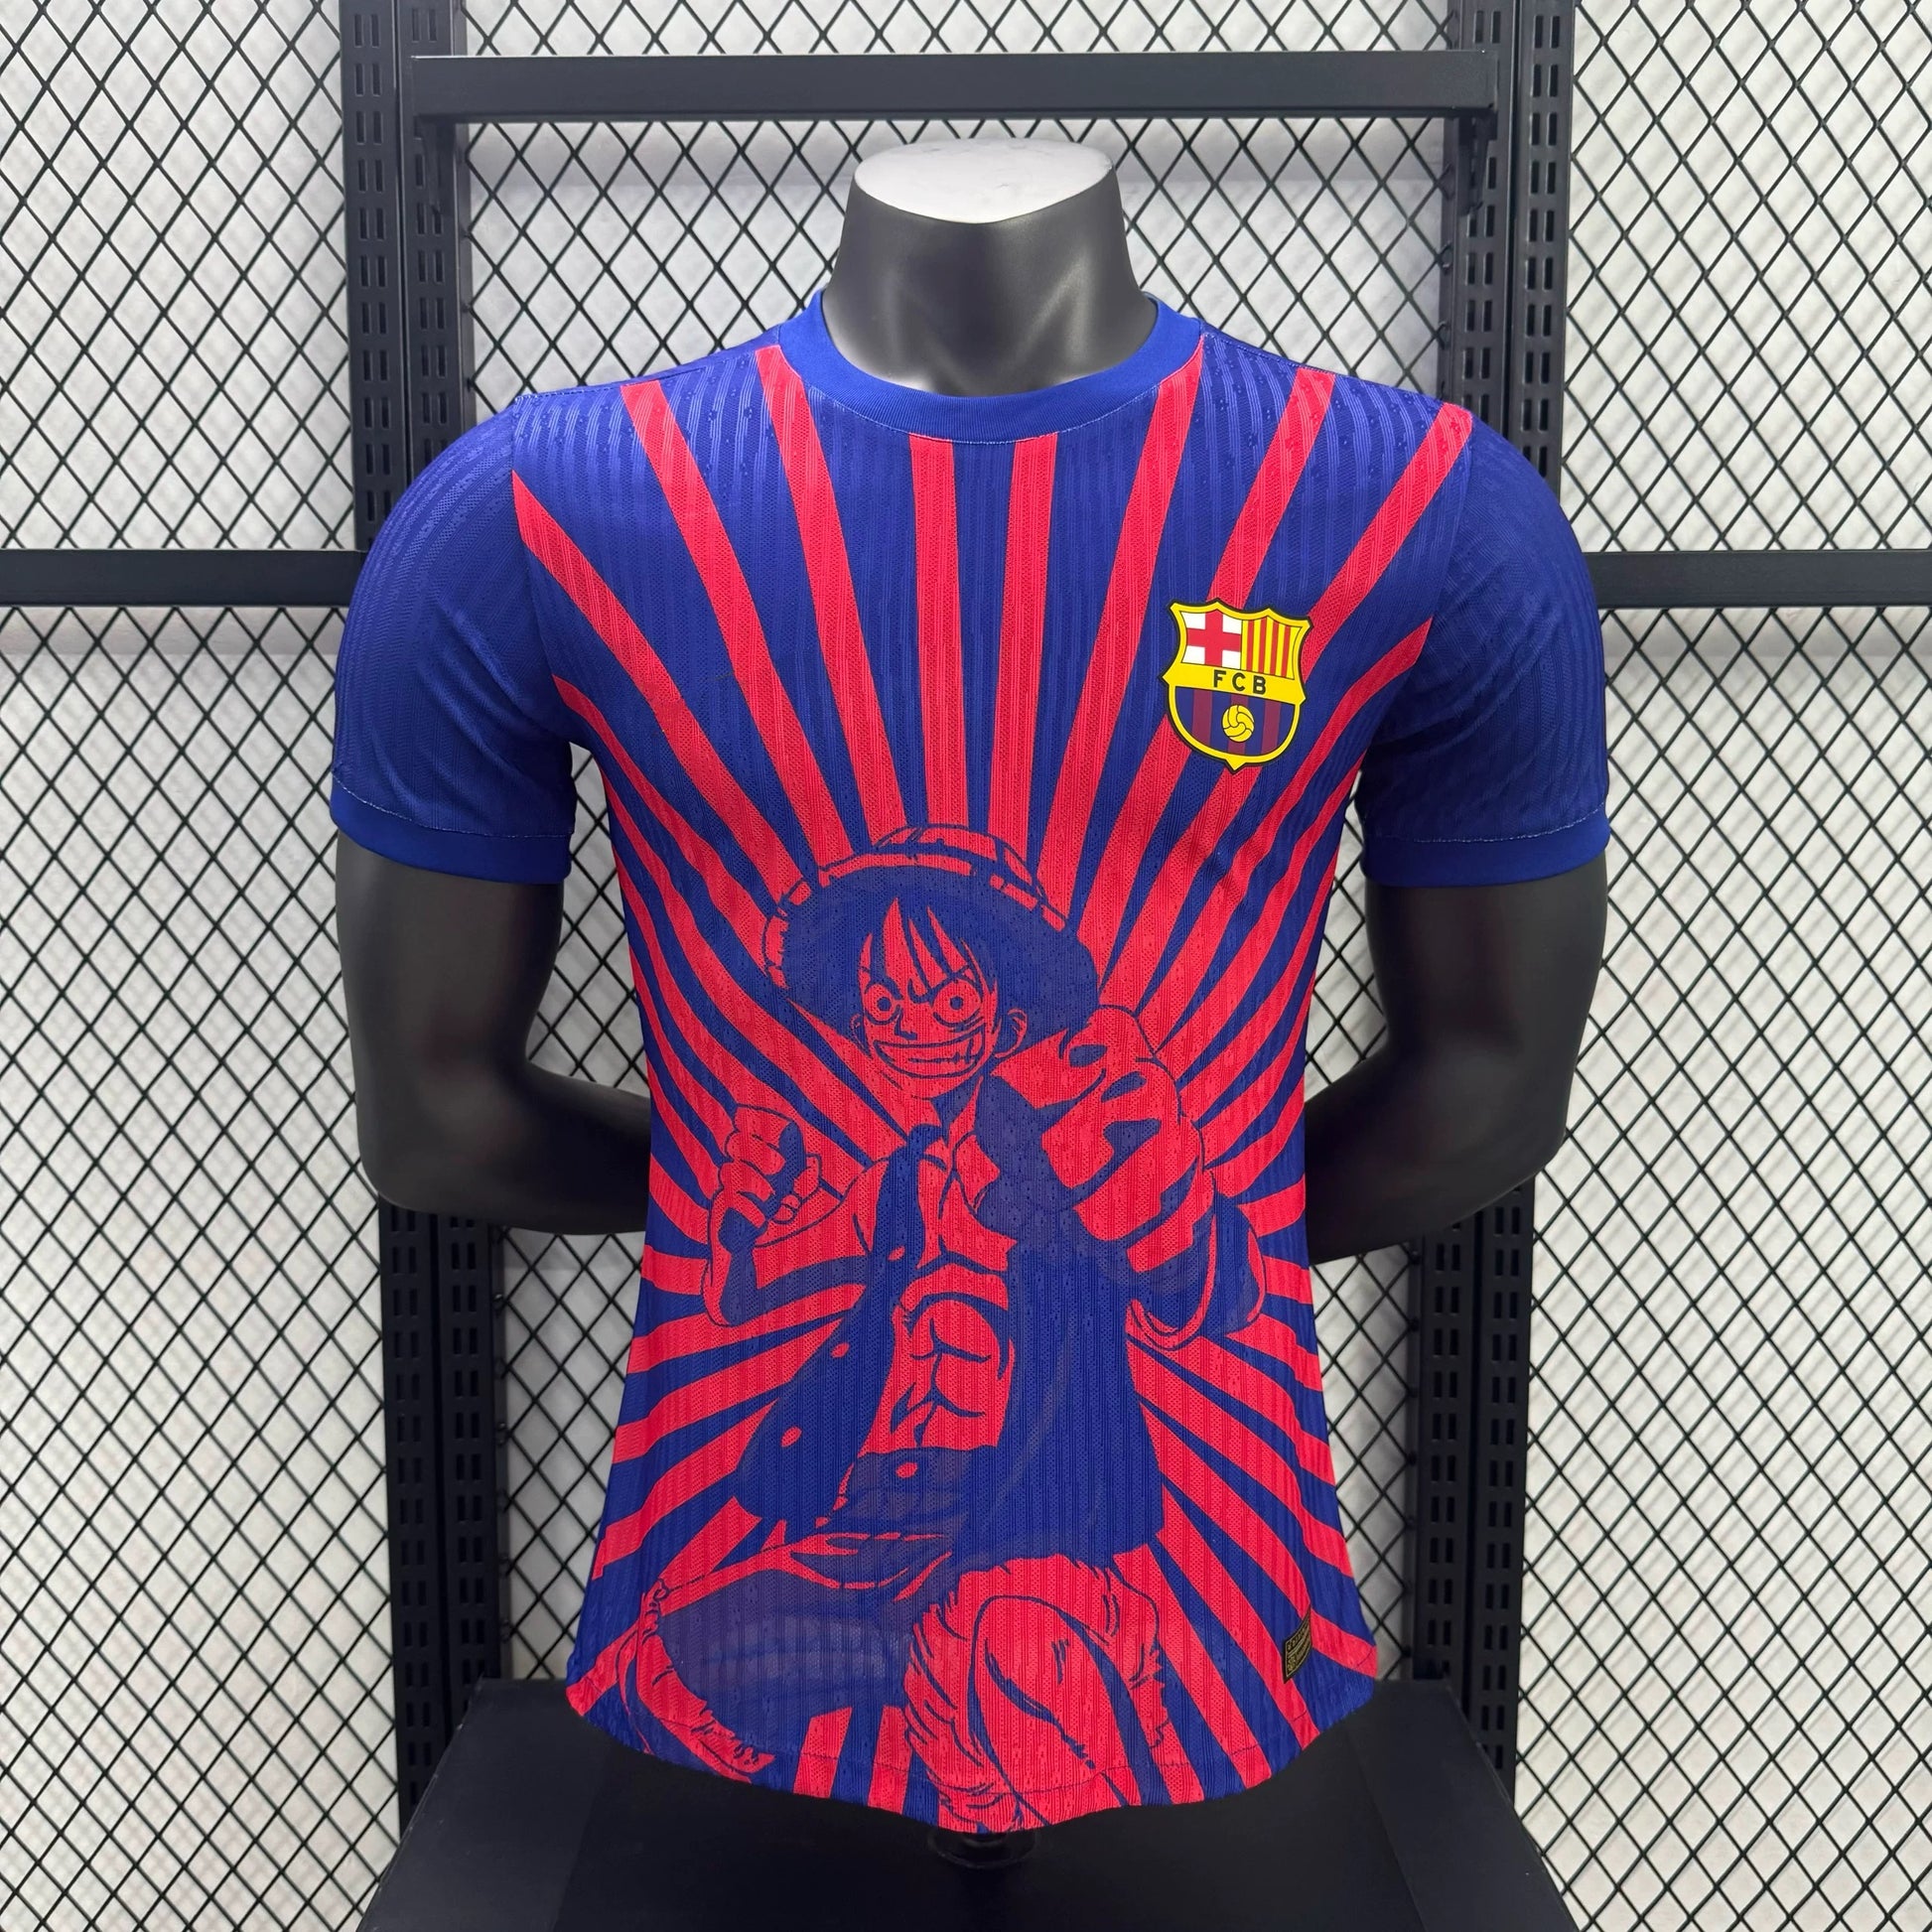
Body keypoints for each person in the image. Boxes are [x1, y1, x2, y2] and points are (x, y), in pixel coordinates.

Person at [625, 827, 1263, 1832]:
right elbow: (743, 1294)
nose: (914, 1024)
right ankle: (963, 1691)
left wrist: (1170, 1204)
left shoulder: (1066, 1147)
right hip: (876, 1531)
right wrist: (736, 1223)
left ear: (1009, 1002)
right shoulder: (897, 1187)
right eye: (884, 1003)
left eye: (947, 996)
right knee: (664, 1666)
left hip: (1024, 1523)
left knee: (1008, 1663)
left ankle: (1057, 1668)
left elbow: (1209, 1293)